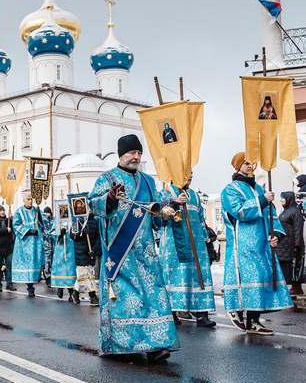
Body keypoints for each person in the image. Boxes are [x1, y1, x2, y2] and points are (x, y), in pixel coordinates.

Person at [88, 134, 179, 363]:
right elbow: (94, 204)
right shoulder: (107, 178)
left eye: (139, 153)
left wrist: (170, 208)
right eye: (132, 153)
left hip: (146, 250)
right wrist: (109, 198)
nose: (136, 156)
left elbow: (155, 211)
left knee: (153, 295)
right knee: (126, 298)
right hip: (121, 252)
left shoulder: (148, 181)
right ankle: (123, 344)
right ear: (121, 155)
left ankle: (157, 345)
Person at [221, 153, 293, 334]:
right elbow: (239, 212)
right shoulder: (230, 190)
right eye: (245, 163)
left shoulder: (260, 189)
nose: (250, 166)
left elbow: (272, 215)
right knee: (247, 279)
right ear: (237, 167)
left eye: (251, 163)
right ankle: (236, 310)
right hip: (242, 245)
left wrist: (275, 234)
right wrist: (262, 200)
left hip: (262, 244)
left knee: (260, 278)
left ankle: (253, 321)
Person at [159, 173, 216, 328]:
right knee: (174, 275)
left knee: (199, 275)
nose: (190, 176)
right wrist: (173, 203)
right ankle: (171, 313)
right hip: (174, 244)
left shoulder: (196, 196)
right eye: (185, 172)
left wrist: (205, 236)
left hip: (196, 243)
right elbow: (159, 215)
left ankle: (201, 314)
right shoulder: (166, 191)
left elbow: (200, 218)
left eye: (191, 172)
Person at [11, 193, 44, 297]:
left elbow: (45, 222)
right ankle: (30, 287)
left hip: (35, 242)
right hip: (24, 243)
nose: (30, 201)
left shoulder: (36, 210)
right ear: (24, 201)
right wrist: (29, 231)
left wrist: (41, 218)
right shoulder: (19, 211)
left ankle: (33, 283)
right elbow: (15, 225)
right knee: (27, 264)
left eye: (31, 199)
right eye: (28, 199)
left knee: (34, 263)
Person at [276, 192, 304, 296]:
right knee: (286, 265)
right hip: (284, 244)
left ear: (288, 199)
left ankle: (296, 287)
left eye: (282, 198)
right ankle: (289, 286)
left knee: (293, 265)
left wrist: (297, 244)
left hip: (291, 244)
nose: (281, 200)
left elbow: (298, 228)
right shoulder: (286, 211)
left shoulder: (294, 211)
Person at [70, 213, 100, 306]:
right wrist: (82, 233)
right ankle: (93, 297)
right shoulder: (77, 221)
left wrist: (94, 250)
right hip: (80, 252)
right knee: (87, 274)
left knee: (85, 274)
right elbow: (72, 235)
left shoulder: (95, 221)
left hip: (90, 252)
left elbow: (98, 238)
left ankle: (75, 292)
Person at [51, 221, 76, 300]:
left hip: (71, 247)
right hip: (60, 248)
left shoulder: (73, 219)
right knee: (60, 268)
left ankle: (71, 291)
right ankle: (60, 287)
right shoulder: (57, 220)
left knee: (71, 270)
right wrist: (60, 233)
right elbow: (52, 232)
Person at [41, 207, 55, 285]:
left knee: (53, 261)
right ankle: (47, 276)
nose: (46, 214)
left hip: (53, 244)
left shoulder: (54, 220)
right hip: (46, 244)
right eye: (45, 212)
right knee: (47, 261)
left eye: (47, 212)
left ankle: (52, 276)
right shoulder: (43, 221)